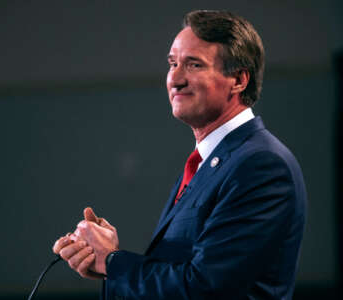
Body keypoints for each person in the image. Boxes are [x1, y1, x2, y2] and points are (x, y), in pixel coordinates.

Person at [53, 10, 306, 299]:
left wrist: (113, 261)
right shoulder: (211, 162)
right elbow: (179, 272)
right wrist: (106, 261)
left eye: (194, 65)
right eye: (172, 63)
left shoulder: (261, 165)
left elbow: (204, 289)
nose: (175, 78)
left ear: (238, 80)